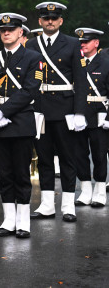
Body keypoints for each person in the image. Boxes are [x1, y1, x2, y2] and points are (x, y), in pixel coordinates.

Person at [26, 2, 87, 222]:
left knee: (67, 158)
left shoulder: (72, 44)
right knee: (43, 159)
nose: (50, 21)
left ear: (60, 21)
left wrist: (80, 112)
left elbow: (81, 81)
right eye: (46, 18)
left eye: (54, 18)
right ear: (40, 21)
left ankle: (69, 205)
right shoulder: (31, 45)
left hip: (65, 109)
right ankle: (47, 204)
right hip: (40, 109)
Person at [0, 13, 42, 239]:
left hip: (20, 121)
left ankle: (23, 221)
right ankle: (8, 219)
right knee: (4, 174)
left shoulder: (33, 57)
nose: (6, 33)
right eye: (3, 30)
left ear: (21, 32)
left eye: (11, 29)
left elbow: (29, 90)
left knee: (21, 174)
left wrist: (4, 111)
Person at [72, 28, 109, 207]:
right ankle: (85, 190)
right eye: (81, 42)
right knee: (79, 154)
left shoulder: (106, 63)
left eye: (87, 41)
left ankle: (100, 191)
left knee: (100, 155)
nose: (83, 44)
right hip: (78, 114)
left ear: (96, 43)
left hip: (99, 114)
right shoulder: (75, 62)